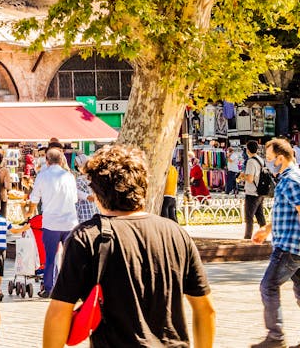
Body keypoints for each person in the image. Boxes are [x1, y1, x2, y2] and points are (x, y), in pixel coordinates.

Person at [44, 144, 215, 348]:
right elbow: (205, 310)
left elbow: (59, 313)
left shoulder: (87, 237)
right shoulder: (176, 233)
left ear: (97, 192)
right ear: (144, 186)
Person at [252, 137, 300, 348]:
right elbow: (290, 211)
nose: (268, 162)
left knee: (268, 286)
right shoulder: (291, 178)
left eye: (270, 158)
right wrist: (267, 229)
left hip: (288, 247)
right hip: (292, 245)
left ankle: (276, 337)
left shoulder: (290, 180)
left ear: (281, 158)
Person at [29, 146, 77, 297]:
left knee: (50, 257)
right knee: (69, 258)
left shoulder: (43, 176)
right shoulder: (69, 176)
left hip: (51, 223)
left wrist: (30, 213)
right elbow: (74, 199)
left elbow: (34, 199)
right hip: (70, 221)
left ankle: (49, 288)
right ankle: (70, 288)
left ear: (47, 161)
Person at [244, 140, 268, 239]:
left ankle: (248, 237)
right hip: (260, 191)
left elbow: (250, 178)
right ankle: (264, 236)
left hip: (252, 192)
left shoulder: (251, 161)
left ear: (248, 150)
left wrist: (242, 176)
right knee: (260, 216)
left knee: (249, 217)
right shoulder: (260, 160)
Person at [73, 153, 98, 224]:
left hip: (84, 208)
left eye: (78, 165)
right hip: (93, 206)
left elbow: (74, 192)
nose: (77, 167)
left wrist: (86, 196)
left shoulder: (81, 179)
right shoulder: (93, 177)